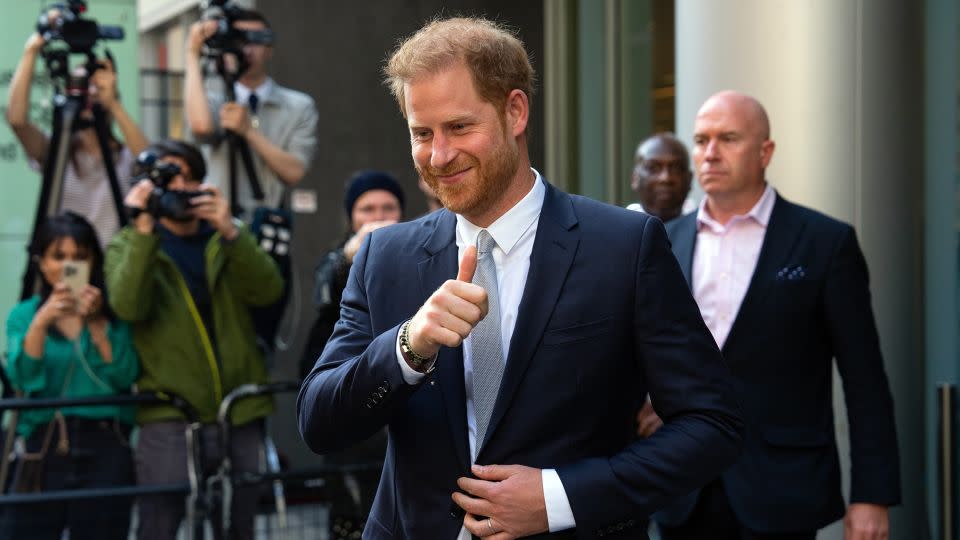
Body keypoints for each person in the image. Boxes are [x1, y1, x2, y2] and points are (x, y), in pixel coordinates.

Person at [298, 17, 743, 539]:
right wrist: (407, 347)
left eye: (460, 127)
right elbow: (318, 423)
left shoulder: (623, 246)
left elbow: (713, 425)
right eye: (423, 133)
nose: (439, 156)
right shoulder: (385, 254)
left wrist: (561, 497)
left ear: (515, 112)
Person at [646, 91, 901, 540]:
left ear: (765, 152)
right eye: (701, 139)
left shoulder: (825, 243)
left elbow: (865, 381)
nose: (710, 153)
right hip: (682, 488)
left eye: (728, 138)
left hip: (784, 491)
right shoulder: (663, 241)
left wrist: (871, 494)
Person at [104, 139, 283, 540]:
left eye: (188, 176)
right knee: (161, 525)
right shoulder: (128, 245)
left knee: (239, 525)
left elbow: (269, 291)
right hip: (169, 415)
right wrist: (143, 230)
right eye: (168, 177)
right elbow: (128, 306)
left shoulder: (227, 238)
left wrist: (232, 231)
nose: (180, 186)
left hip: (238, 409)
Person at [3, 212, 139, 540]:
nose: (68, 266)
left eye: (79, 258)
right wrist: (41, 322)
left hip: (106, 441)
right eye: (58, 257)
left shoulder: (112, 314)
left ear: (93, 262)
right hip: (43, 445)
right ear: (42, 262)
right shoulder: (25, 314)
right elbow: (22, 378)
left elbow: (125, 375)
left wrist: (96, 323)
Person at [6, 25, 149, 247]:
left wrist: (112, 103)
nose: (89, 94)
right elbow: (17, 121)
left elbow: (149, 159)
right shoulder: (57, 151)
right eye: (83, 86)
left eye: (96, 88)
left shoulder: (124, 156)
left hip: (114, 267)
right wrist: (31, 51)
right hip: (69, 266)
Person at [184, 8, 318, 220]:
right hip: (216, 221)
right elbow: (201, 128)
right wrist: (192, 53)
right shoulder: (211, 97)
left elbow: (294, 172)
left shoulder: (298, 106)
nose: (247, 48)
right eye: (238, 39)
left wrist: (249, 131)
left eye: (256, 39)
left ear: (269, 48)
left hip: (265, 223)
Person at [300, 170, 406, 378]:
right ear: (351, 217)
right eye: (367, 209)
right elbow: (322, 297)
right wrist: (348, 257)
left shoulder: (416, 253)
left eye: (388, 208)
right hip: (340, 367)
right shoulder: (339, 255)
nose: (378, 217)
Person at [627, 132, 696, 222]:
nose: (665, 178)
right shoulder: (618, 232)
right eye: (653, 168)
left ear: (689, 179)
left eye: (676, 169)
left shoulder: (706, 232)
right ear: (635, 179)